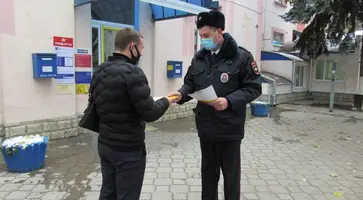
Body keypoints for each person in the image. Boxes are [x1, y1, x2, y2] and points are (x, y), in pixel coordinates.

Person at [169, 11, 263, 200]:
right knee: (208, 177)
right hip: (206, 128)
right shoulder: (199, 59)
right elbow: (190, 83)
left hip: (229, 130)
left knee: (231, 179)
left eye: (205, 36)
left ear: (219, 32)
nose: (202, 40)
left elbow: (254, 87)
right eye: (200, 36)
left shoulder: (242, 57)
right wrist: (181, 94)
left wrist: (228, 101)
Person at [89, 28, 176, 200]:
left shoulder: (99, 71)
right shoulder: (133, 73)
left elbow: (96, 104)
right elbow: (150, 113)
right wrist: (167, 100)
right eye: (141, 49)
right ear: (132, 47)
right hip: (127, 149)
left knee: (108, 192)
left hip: (105, 144)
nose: (141, 53)